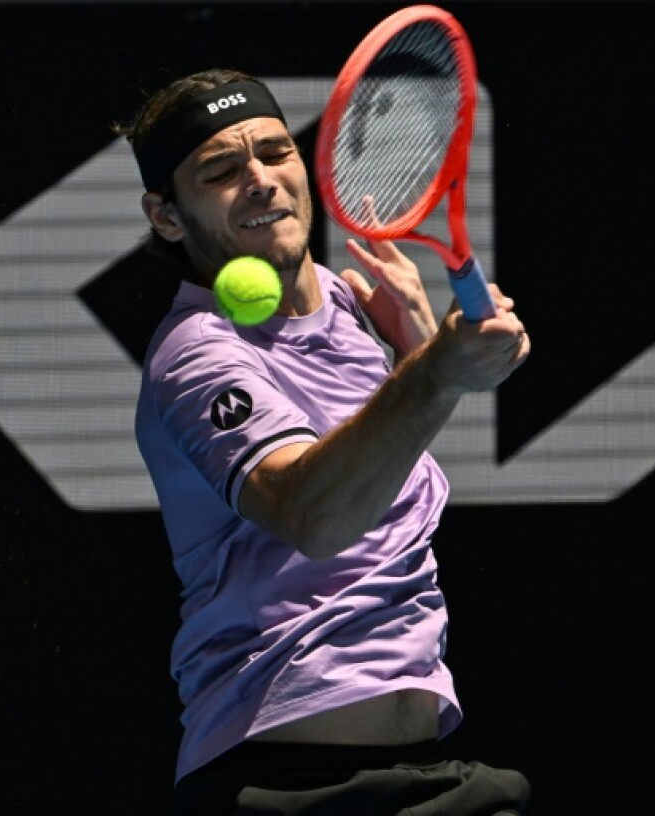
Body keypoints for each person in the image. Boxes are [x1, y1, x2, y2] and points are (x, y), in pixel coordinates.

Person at [114, 68, 533, 814]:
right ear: (167, 216)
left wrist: (418, 359)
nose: (261, 179)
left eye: (276, 153)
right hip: (281, 783)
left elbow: (379, 479)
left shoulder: (353, 306)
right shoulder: (198, 352)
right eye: (220, 170)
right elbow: (316, 516)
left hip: (425, 768)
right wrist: (433, 374)